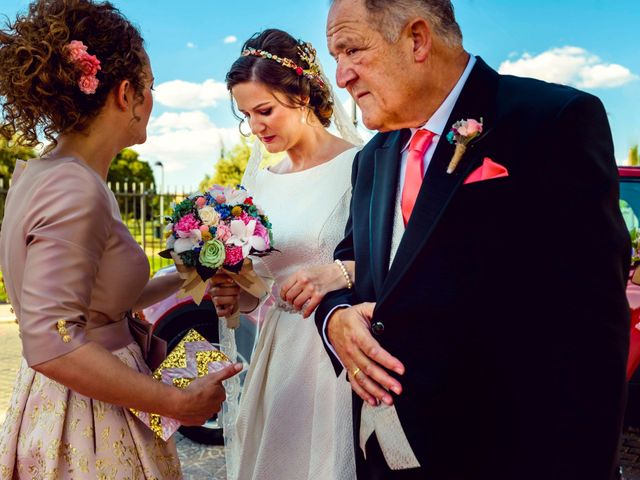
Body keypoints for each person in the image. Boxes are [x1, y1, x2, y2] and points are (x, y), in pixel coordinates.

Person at [316, 0, 631, 479]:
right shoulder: (373, 158)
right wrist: (335, 318)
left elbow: (590, 337)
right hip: (383, 456)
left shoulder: (553, 121)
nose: (342, 77)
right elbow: (351, 262)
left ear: (417, 39)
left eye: (352, 50)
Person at [0, 1, 241, 478]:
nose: (152, 99)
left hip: (79, 395)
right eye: (149, 87)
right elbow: (53, 343)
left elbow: (100, 304)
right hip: (89, 412)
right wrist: (177, 401)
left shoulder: (46, 173)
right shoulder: (75, 187)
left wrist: (186, 271)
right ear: (126, 93)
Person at [210, 29, 361, 480]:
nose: (256, 126)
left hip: (340, 347)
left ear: (303, 96)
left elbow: (390, 259)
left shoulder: (361, 164)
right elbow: (260, 287)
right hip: (281, 354)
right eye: (246, 115)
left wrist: (337, 274)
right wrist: (237, 295)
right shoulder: (261, 183)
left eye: (265, 110)